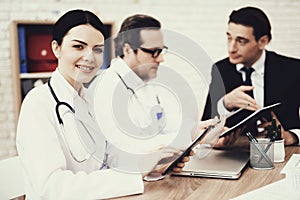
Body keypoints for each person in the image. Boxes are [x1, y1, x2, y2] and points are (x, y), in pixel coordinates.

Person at [16, 10, 188, 200]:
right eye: (79, 47)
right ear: (56, 48)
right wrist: (136, 172)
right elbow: (52, 188)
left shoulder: (89, 100)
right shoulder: (38, 104)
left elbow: (111, 158)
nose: (90, 57)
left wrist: (153, 164)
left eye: (97, 49)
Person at [91, 14, 199, 178]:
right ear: (127, 50)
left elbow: (168, 124)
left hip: (153, 177)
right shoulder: (107, 89)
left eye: (161, 51)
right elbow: (119, 154)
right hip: (123, 184)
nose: (161, 59)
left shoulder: (145, 81)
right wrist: (177, 142)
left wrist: (198, 130)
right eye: (153, 52)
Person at [202, 6, 300, 147]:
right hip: (236, 153)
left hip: (284, 152)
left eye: (241, 41)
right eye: (229, 38)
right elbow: (204, 127)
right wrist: (225, 103)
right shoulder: (220, 70)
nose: (231, 48)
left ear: (263, 42)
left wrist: (293, 136)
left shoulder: (293, 69)